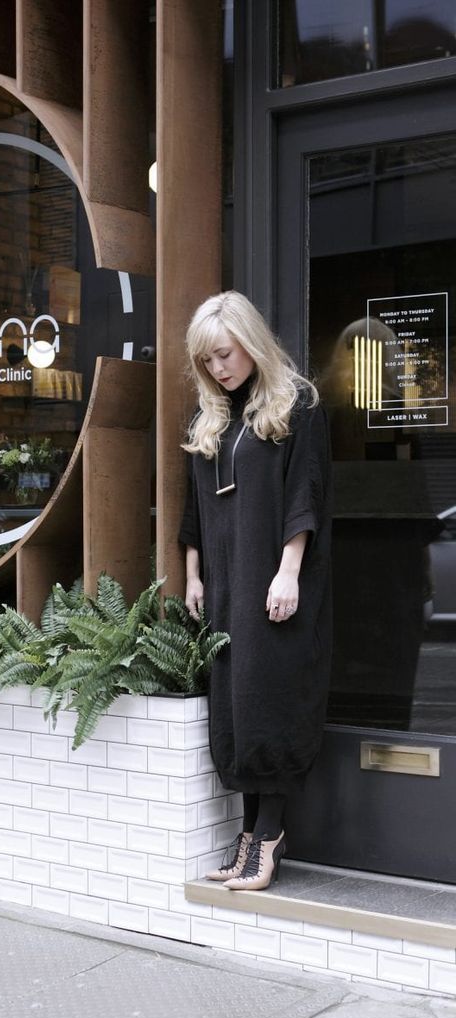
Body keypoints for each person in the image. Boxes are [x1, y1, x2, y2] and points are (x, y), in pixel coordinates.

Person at [179, 291, 332, 891]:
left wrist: (289, 569)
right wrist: (192, 573)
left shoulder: (297, 407)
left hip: (274, 584)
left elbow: (306, 493)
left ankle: (268, 837)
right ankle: (247, 837)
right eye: (208, 360)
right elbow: (191, 503)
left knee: (271, 702)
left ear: (249, 341)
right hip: (224, 586)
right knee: (236, 711)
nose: (219, 368)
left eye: (224, 354)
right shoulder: (209, 418)